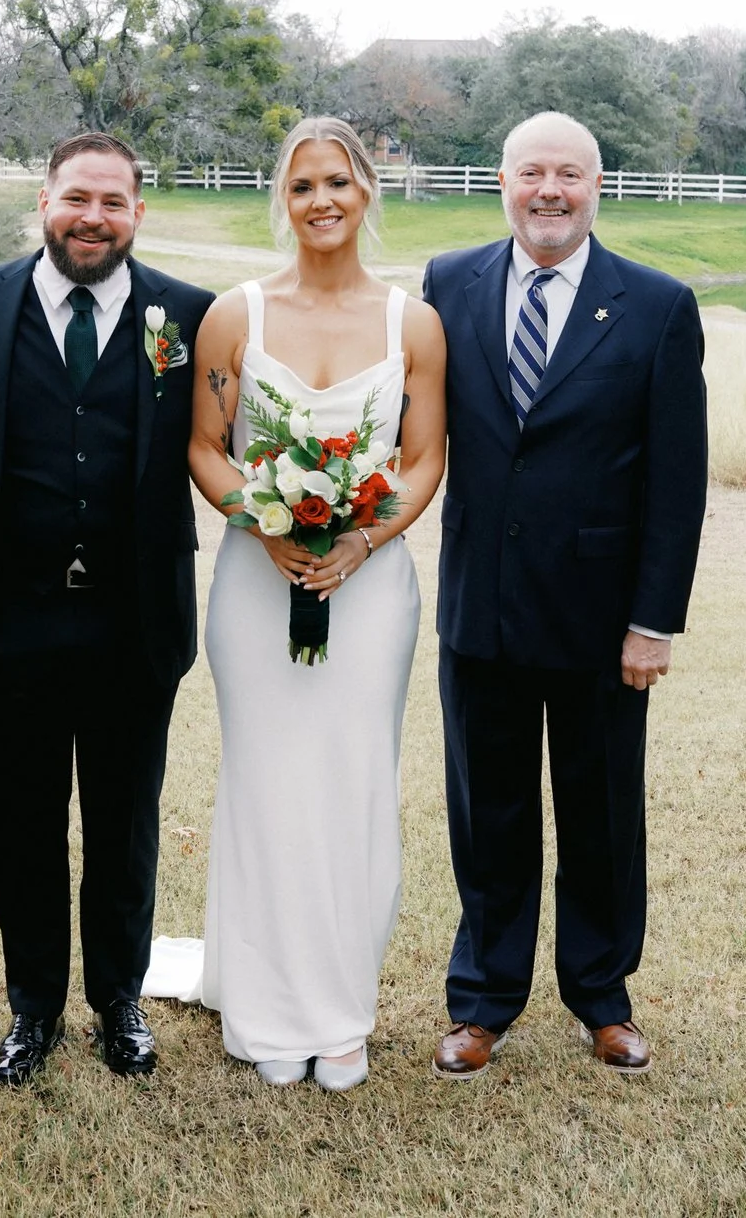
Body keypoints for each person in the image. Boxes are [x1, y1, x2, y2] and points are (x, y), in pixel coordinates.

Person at [418, 111, 708, 1080]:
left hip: (600, 617)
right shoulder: (447, 283)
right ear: (501, 181)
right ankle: (482, 1000)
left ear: (597, 186)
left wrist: (653, 621)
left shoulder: (657, 305)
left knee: (601, 813)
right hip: (481, 606)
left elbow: (676, 481)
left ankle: (602, 996)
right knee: (487, 814)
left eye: (570, 174)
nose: (550, 190)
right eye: (532, 172)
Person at [0, 131, 216, 1084]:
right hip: (11, 621)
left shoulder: (187, 312)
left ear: (138, 212)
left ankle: (119, 998)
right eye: (77, 198)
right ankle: (34, 1006)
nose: (93, 218)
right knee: (24, 819)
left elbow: (225, 435)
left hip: (138, 621)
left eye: (113, 202)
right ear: (45, 202)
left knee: (127, 820)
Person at [185, 118, 448, 1091]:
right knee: (267, 780)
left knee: (352, 780)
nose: (321, 199)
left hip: (370, 591)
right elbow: (206, 445)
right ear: (282, 200)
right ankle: (265, 1005)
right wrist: (263, 523)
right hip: (256, 586)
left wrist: (360, 540)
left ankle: (339, 1009)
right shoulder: (235, 316)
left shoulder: (412, 325)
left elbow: (423, 459)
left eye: (337, 180)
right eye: (302, 185)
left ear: (366, 188)